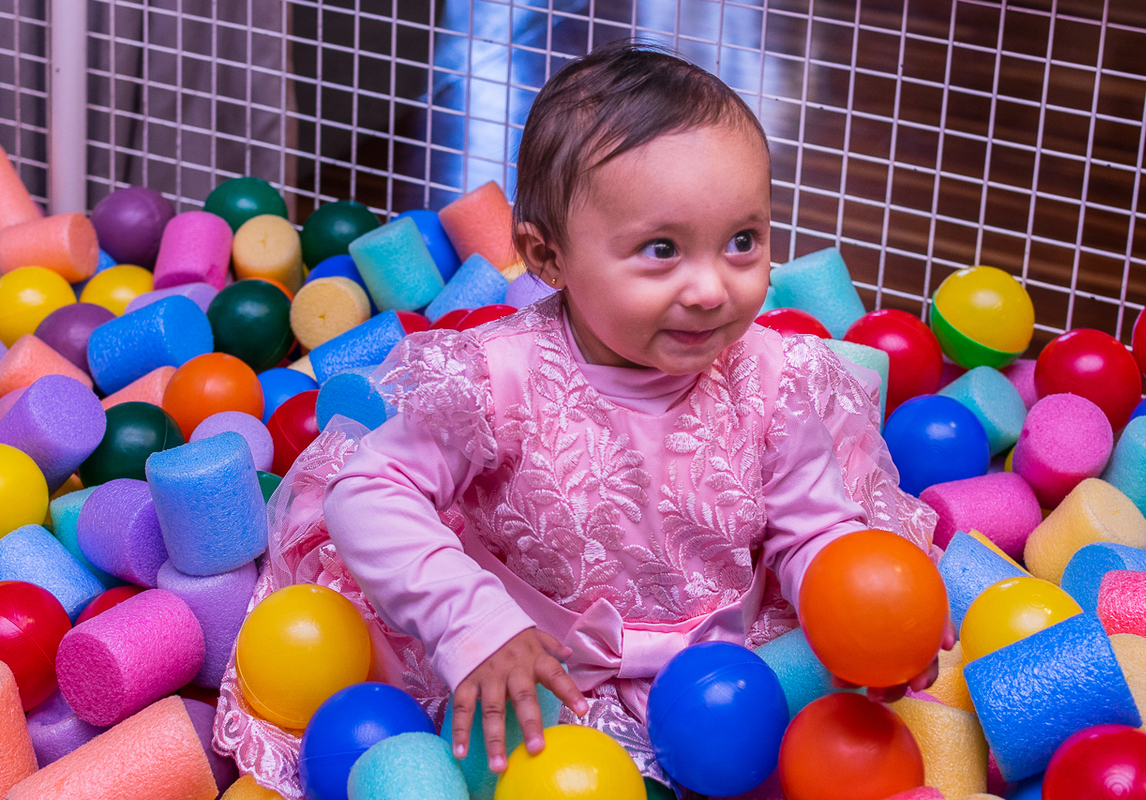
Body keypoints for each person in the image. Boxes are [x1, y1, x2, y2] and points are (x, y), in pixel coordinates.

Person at [217, 42, 942, 799]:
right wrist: (474, 627)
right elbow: (366, 492)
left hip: (724, 683)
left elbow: (812, 528)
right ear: (547, 256)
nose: (710, 288)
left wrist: (865, 617)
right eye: (661, 250)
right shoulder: (501, 378)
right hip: (531, 661)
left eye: (743, 242)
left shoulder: (773, 377)